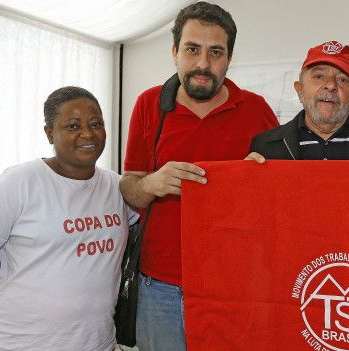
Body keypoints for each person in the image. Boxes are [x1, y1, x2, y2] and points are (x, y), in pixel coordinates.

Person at [119, 2, 279, 350]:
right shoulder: (149, 104)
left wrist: (262, 178)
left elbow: (279, 199)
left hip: (234, 286)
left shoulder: (257, 110)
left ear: (229, 58)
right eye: (192, 50)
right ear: (175, 52)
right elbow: (129, 188)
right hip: (159, 286)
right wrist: (151, 183)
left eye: (215, 52)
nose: (203, 64)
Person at [0, 86, 138, 350]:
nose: (87, 133)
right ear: (50, 133)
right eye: (73, 126)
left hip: (98, 342)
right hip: (28, 342)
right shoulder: (21, 181)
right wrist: (10, 270)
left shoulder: (116, 186)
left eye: (96, 123)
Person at [249, 40, 349, 161]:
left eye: (342, 79)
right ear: (300, 90)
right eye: (319, 76)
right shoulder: (265, 146)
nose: (331, 85)